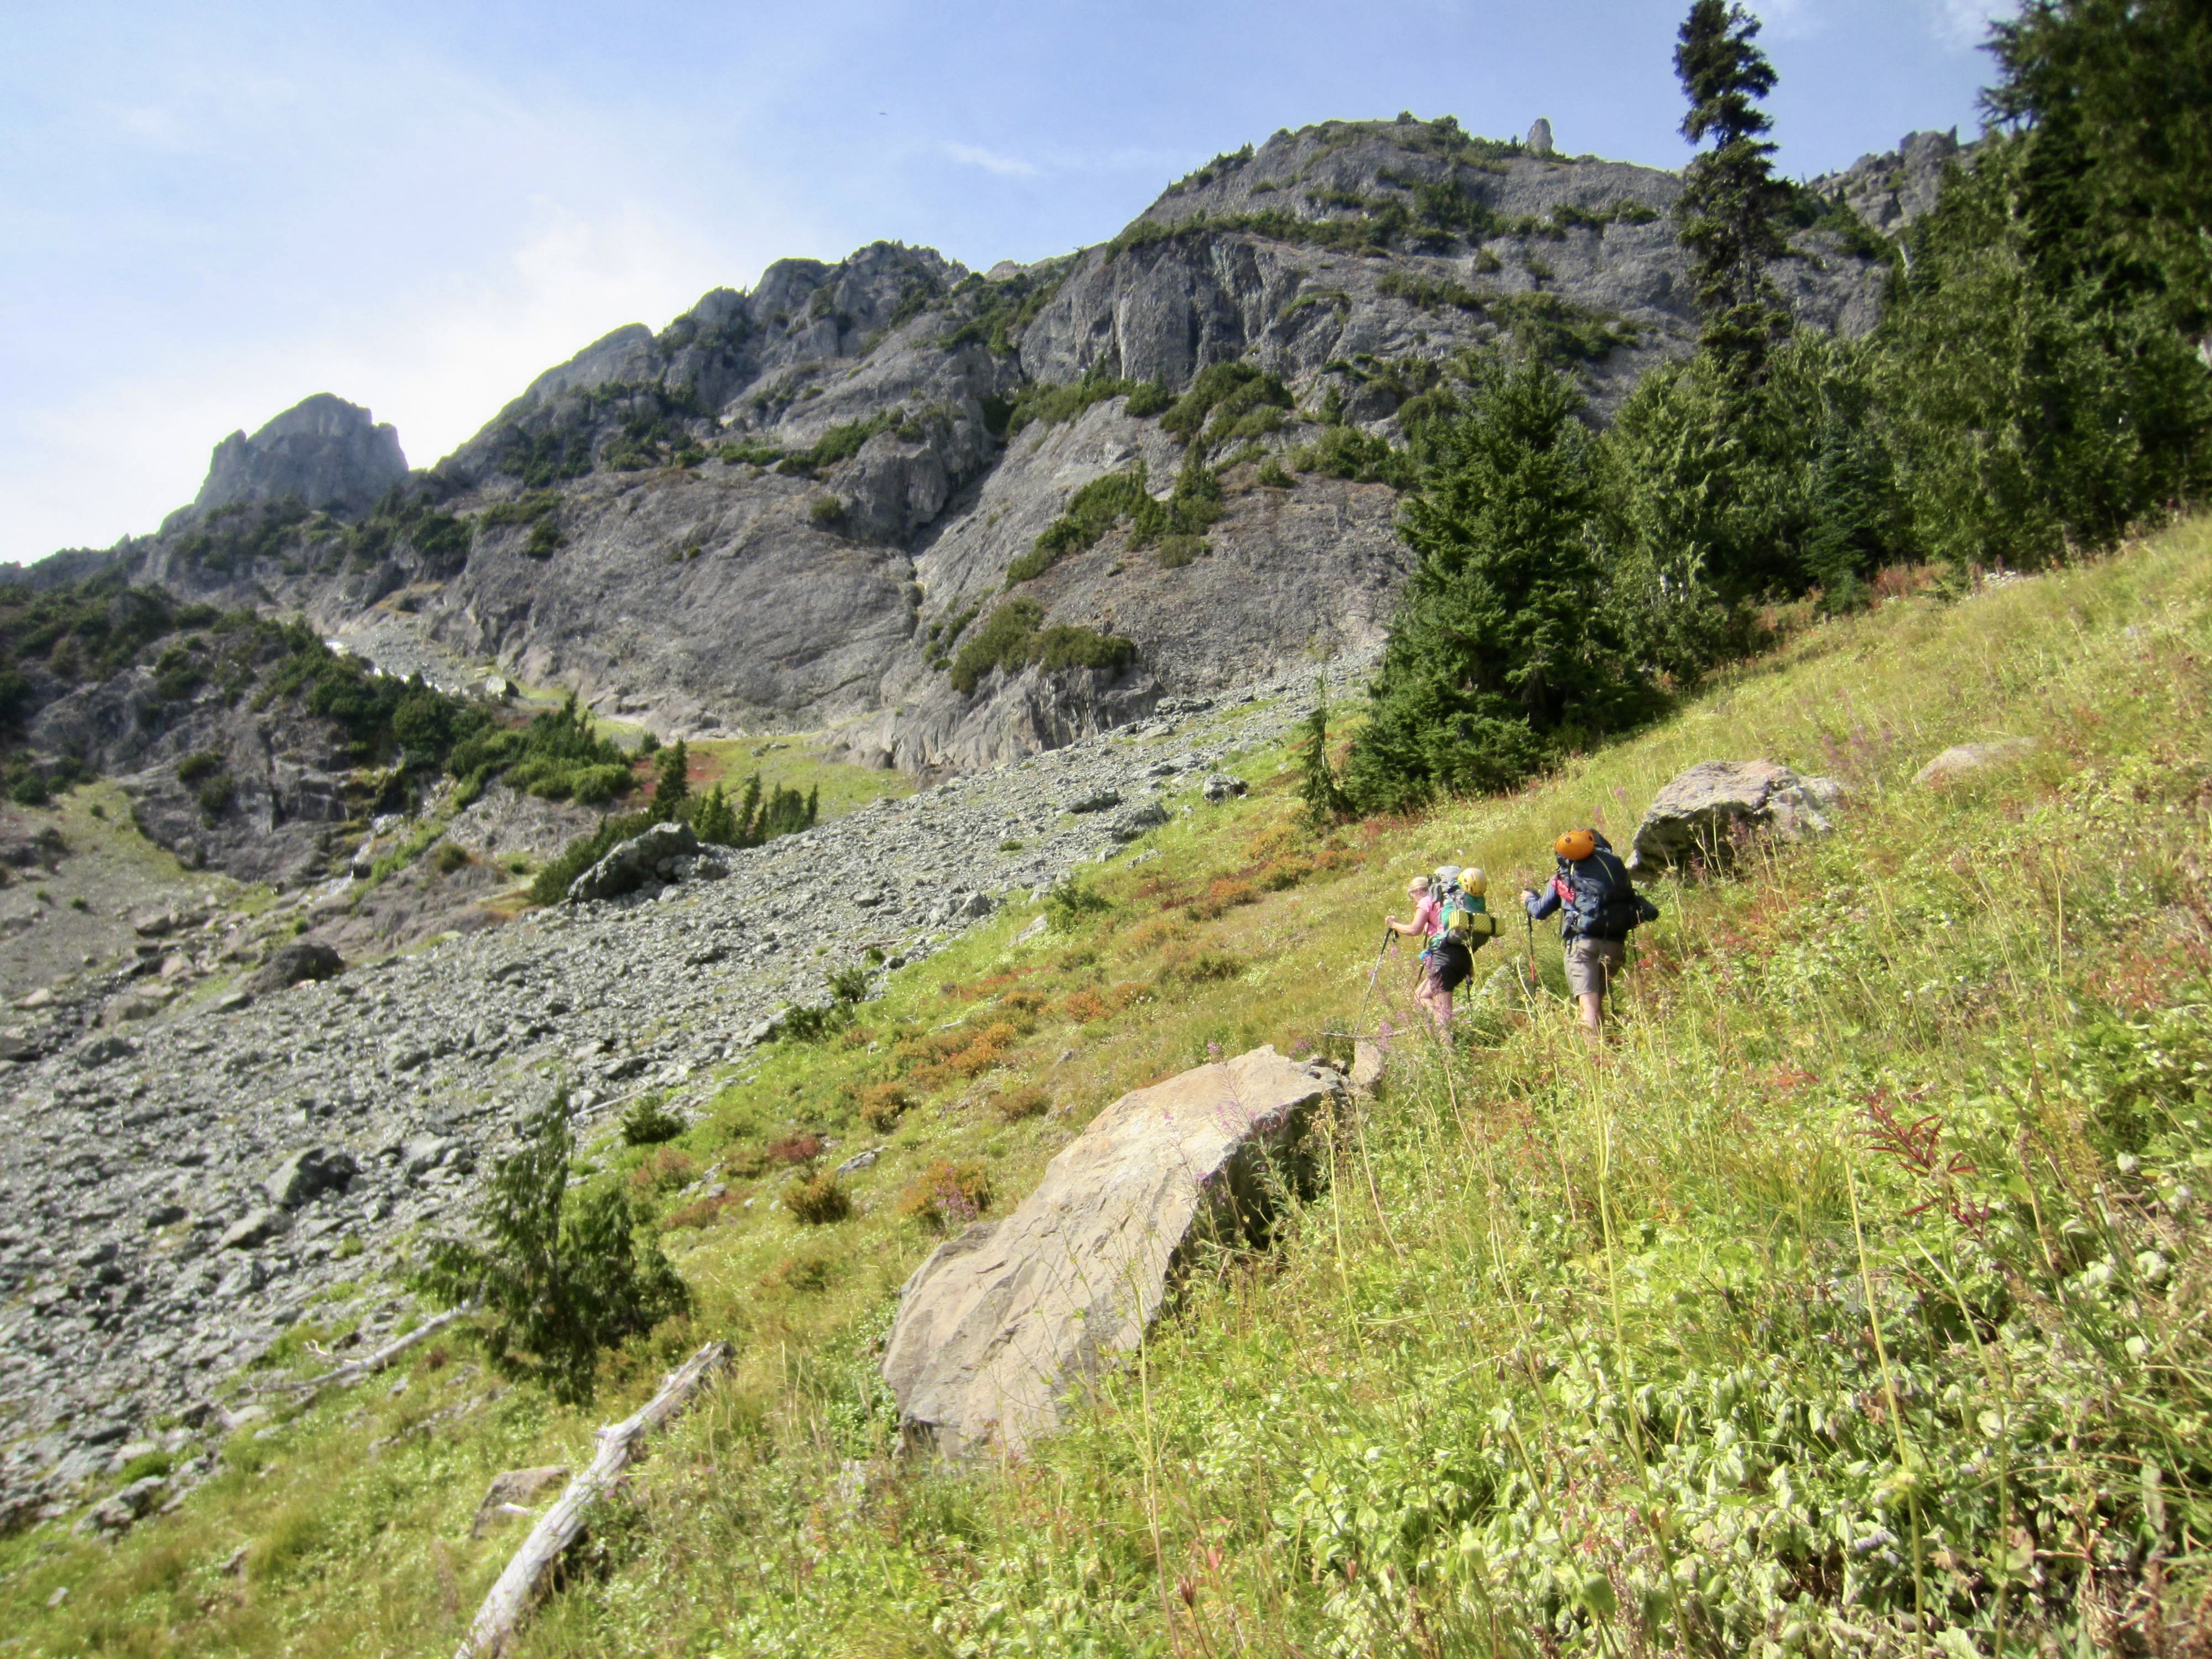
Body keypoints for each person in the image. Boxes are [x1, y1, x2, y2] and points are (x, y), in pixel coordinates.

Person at [1521, 828, 1657, 1045]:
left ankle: (1596, 1059)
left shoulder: (1565, 875)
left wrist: (1529, 899)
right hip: (1615, 944)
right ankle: (1607, 1053)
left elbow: (1539, 911)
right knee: (1596, 1003)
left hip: (1582, 945)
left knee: (1589, 1006)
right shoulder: (1614, 870)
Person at [1385, 873, 1472, 1037]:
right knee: (1420, 996)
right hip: (1462, 955)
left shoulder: (1426, 901)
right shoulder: (1445, 902)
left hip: (1444, 957)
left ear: (1418, 891)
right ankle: (1443, 1026)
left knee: (1441, 1013)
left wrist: (1393, 925)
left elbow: (1414, 930)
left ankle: (1445, 1032)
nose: (1413, 901)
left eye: (1412, 897)